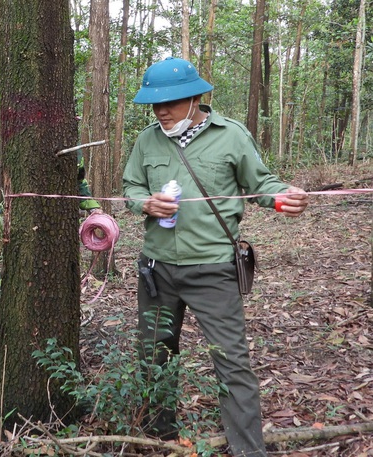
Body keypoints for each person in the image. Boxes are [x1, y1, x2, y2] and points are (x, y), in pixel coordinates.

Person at [122, 57, 309, 457]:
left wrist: (282, 199)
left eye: (170, 102)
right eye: (154, 104)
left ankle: (248, 450)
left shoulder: (232, 136)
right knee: (154, 355)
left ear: (196, 98)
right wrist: (144, 204)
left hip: (213, 270)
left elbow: (260, 184)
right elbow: (131, 186)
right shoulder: (146, 140)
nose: (161, 110)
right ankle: (157, 438)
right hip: (156, 269)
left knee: (232, 362)